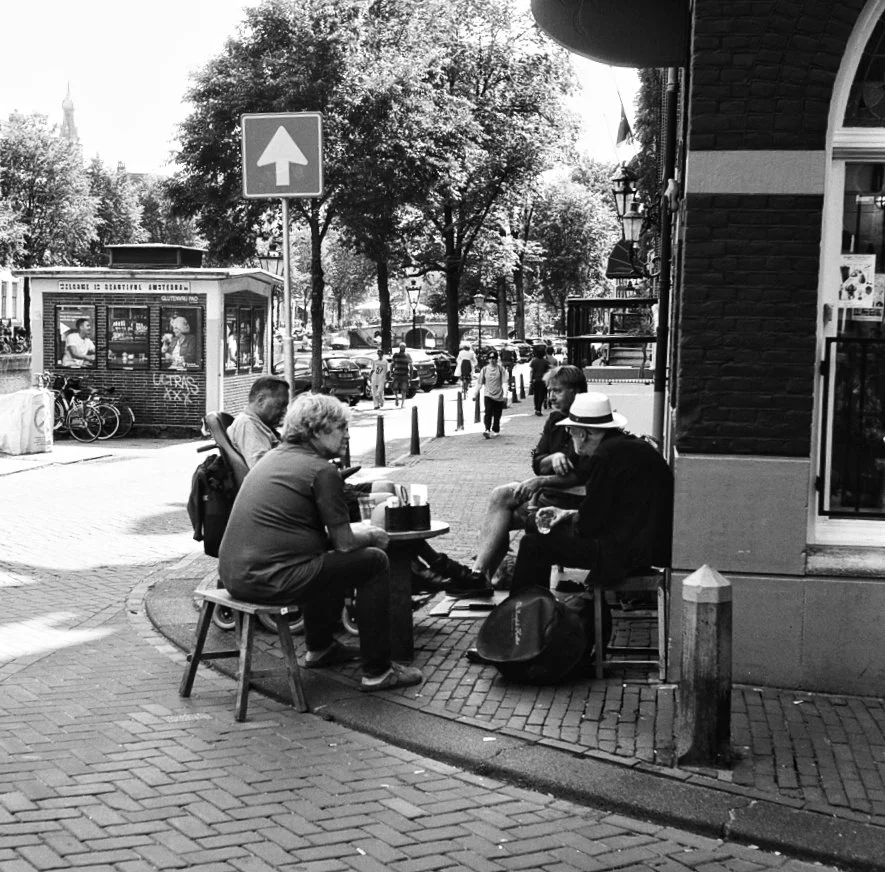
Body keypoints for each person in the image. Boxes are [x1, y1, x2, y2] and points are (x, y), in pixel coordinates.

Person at [218, 393, 424, 692]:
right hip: (269, 579)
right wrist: (372, 534)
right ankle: (378, 671)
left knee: (322, 559)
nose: (347, 434)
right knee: (373, 562)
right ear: (316, 430)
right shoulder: (322, 470)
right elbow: (344, 543)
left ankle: (321, 648)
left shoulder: (275, 457)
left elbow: (311, 537)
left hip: (236, 575)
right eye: (340, 427)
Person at [439, 365, 590, 597]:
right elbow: (537, 462)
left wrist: (541, 482)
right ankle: (479, 574)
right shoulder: (555, 420)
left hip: (570, 505)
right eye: (549, 391)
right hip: (550, 497)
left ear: (577, 392)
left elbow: (582, 475)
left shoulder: (591, 425)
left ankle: (481, 579)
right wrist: (553, 457)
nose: (550, 396)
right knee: (500, 496)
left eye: (557, 391)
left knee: (502, 509)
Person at [508, 391, 673, 594]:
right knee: (543, 533)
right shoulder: (629, 447)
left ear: (583, 434)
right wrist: (568, 514)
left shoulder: (604, 457)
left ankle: (526, 612)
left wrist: (569, 521)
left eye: (571, 431)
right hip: (651, 543)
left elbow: (590, 525)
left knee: (533, 542)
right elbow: (610, 509)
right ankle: (536, 605)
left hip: (628, 552)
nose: (570, 436)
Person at [227, 376, 290, 468]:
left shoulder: (260, 425)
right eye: (280, 405)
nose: (285, 411)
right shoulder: (246, 424)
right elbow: (262, 468)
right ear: (261, 400)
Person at [477, 349, 507, 439]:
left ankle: (496, 428)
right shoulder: (485, 370)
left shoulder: (501, 369)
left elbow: (504, 382)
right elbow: (479, 383)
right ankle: (487, 429)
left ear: (497, 359)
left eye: (494, 358)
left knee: (497, 414)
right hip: (488, 395)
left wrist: (505, 395)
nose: (492, 360)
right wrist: (475, 393)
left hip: (499, 395)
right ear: (488, 359)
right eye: (490, 358)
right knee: (488, 412)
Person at [529, 345, 550, 416]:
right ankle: (539, 409)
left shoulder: (533, 361)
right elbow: (548, 372)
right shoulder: (546, 362)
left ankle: (536, 408)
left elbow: (531, 371)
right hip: (543, 380)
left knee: (536, 394)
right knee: (542, 394)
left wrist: (531, 380)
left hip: (535, 380)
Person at [390, 343, 412, 407]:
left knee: (399, 388)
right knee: (400, 388)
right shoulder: (405, 355)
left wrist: (391, 372)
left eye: (403, 347)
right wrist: (411, 375)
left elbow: (392, 364)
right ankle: (400, 401)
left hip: (400, 374)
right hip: (402, 374)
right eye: (402, 347)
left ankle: (400, 400)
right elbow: (411, 366)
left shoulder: (398, 355)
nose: (402, 348)